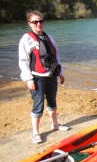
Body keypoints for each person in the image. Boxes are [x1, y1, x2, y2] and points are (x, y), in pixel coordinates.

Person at [18, 10, 69, 144]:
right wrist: (28, 79)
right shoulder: (27, 39)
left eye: (41, 21)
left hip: (51, 76)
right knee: (38, 104)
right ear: (29, 23)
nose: (39, 24)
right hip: (37, 77)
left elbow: (56, 56)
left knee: (52, 101)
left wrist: (61, 72)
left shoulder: (49, 38)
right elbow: (23, 61)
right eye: (35, 22)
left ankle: (55, 124)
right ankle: (35, 133)